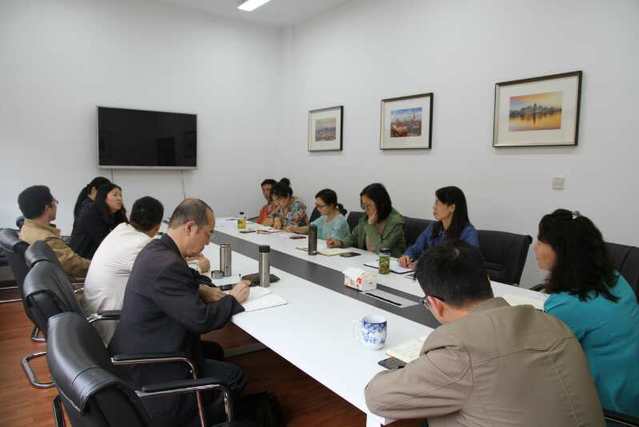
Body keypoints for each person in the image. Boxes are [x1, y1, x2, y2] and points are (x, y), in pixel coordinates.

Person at [365, 242, 605, 426]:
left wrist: (418, 368)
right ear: (487, 280)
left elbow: (377, 397)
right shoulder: (554, 323)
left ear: (435, 304)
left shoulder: (459, 352)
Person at [109, 199, 250, 427]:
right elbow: (201, 320)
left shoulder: (157, 249)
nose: (208, 241)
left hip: (141, 350)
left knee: (214, 351)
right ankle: (198, 419)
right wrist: (232, 299)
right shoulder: (167, 264)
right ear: (190, 227)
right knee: (235, 376)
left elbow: (189, 277)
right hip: (153, 368)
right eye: (208, 233)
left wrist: (202, 288)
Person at [535, 209, 639, 417]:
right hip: (631, 392)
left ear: (562, 251)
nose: (535, 247)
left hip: (609, 410)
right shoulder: (615, 279)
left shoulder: (568, 304)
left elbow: (538, 358)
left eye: (541, 241)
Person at [83, 196, 164, 344]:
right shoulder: (141, 244)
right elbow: (166, 276)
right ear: (158, 227)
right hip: (111, 327)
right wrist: (196, 264)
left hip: (95, 317)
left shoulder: (120, 229)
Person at [18, 185, 90, 278]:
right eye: (55, 202)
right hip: (66, 282)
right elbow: (76, 266)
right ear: (47, 208)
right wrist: (98, 265)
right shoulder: (47, 240)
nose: (56, 205)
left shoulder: (26, 227)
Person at [399, 186, 478, 269]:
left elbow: (469, 264)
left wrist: (424, 265)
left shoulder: (468, 233)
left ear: (452, 207)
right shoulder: (433, 227)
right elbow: (416, 248)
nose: (434, 207)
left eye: (437, 203)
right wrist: (407, 256)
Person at [327, 183, 406, 257]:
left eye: (369, 205)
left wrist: (370, 225)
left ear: (381, 204)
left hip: (387, 263)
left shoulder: (396, 222)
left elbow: (381, 249)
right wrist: (339, 243)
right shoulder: (365, 217)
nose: (366, 209)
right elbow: (353, 238)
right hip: (367, 260)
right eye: (364, 205)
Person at [70, 183, 127, 259]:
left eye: (120, 195)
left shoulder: (117, 214)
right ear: (103, 197)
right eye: (115, 195)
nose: (119, 198)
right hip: (82, 259)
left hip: (100, 257)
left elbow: (125, 234)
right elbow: (104, 241)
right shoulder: (91, 212)